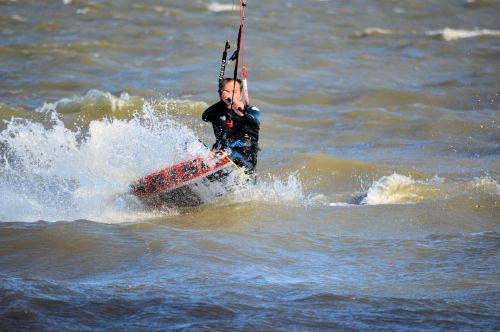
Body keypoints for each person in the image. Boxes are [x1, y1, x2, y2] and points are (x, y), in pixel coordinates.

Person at [202, 78, 261, 173]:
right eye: (227, 92)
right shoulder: (217, 112)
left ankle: (218, 157)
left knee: (227, 152)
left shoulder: (252, 111)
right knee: (190, 142)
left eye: (234, 92)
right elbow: (205, 117)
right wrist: (223, 101)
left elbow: (254, 122)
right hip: (218, 156)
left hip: (245, 163)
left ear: (241, 94)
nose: (230, 94)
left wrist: (241, 113)